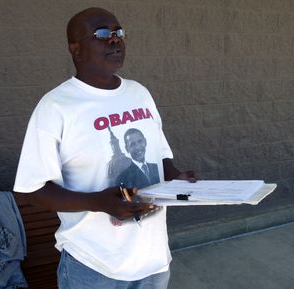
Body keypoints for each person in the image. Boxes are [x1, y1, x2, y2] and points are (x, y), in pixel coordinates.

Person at [13, 7, 196, 289]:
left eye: (118, 33)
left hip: (153, 260)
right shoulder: (56, 106)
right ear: (75, 50)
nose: (114, 40)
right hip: (94, 265)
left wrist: (175, 177)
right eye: (101, 34)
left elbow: (160, 155)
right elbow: (30, 190)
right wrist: (97, 202)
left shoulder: (139, 93)